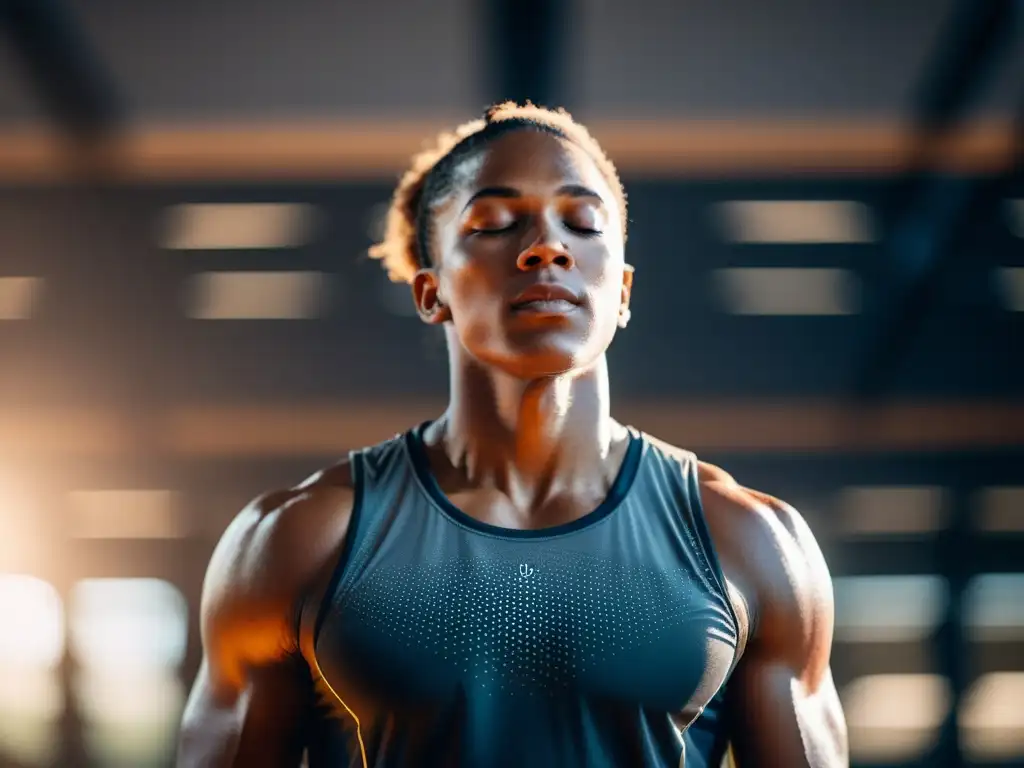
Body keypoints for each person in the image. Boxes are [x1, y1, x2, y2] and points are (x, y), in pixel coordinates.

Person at [177, 102, 848, 768]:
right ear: (430, 291)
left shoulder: (753, 543)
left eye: (583, 224)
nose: (547, 246)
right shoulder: (294, 540)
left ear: (623, 291)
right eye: (495, 224)